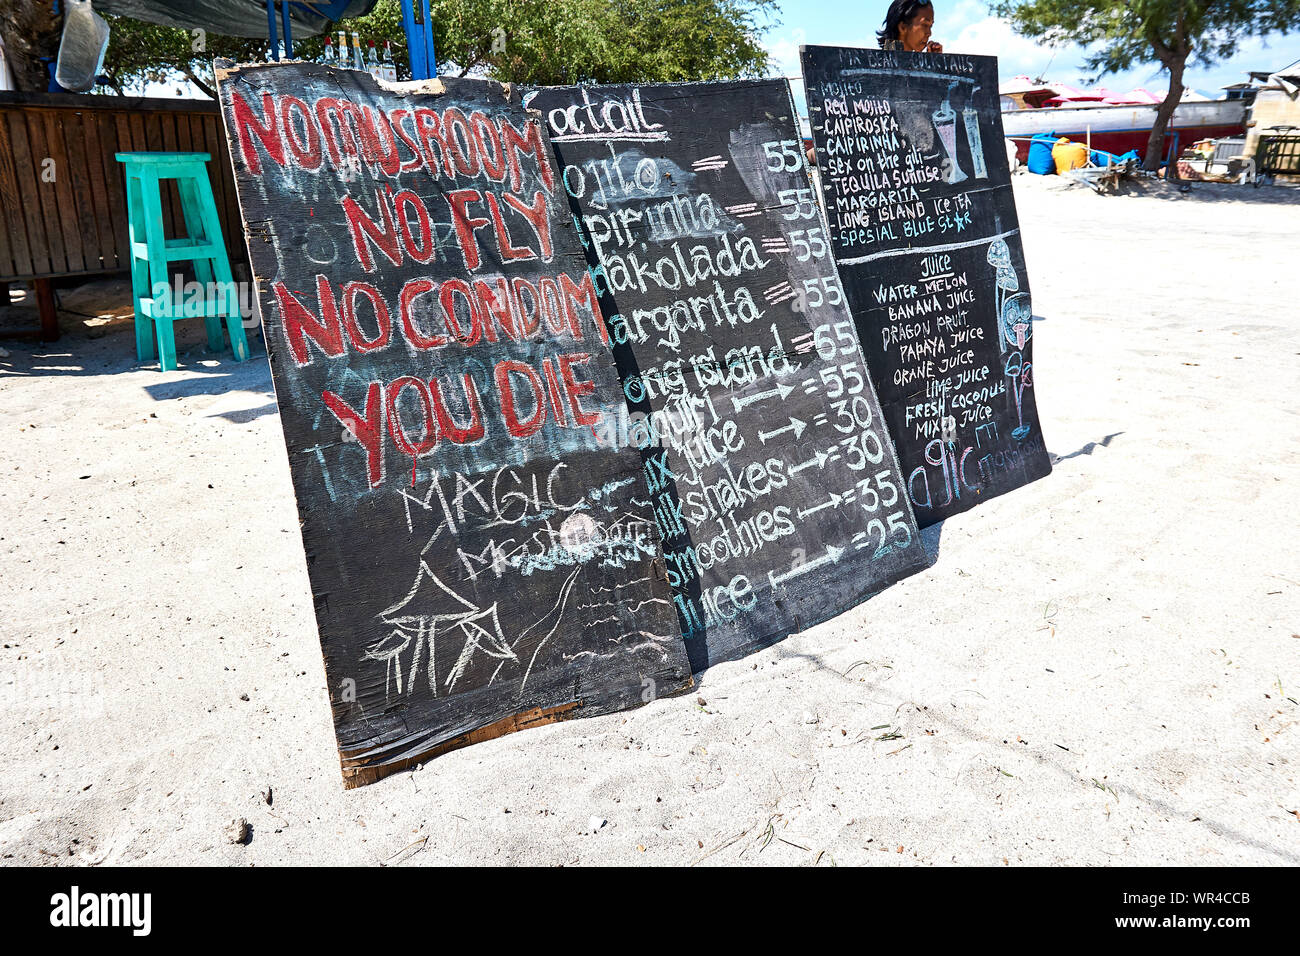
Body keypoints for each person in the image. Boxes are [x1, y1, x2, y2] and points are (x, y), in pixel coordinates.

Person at [877, 0, 943, 53]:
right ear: (902, 27)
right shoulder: (879, 65)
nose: (929, 33)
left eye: (930, 26)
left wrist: (932, 63)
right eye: (925, 25)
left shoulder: (883, 62)